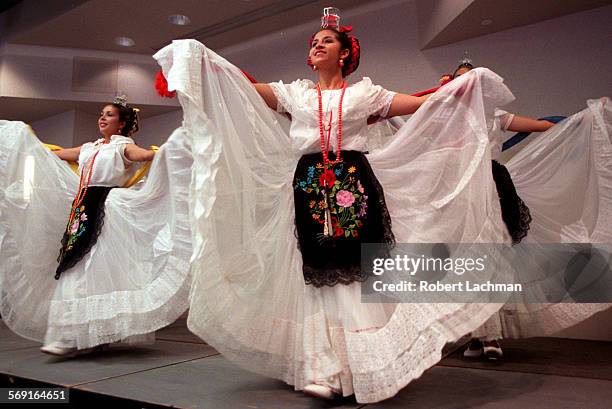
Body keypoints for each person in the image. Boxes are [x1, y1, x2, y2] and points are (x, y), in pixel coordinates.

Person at [156, 8, 516, 403]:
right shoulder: (296, 94)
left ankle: (354, 366)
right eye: (314, 41)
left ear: (344, 54)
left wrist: (460, 88)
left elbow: (421, 105)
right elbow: (243, 89)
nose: (316, 44)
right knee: (314, 272)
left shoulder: (365, 94)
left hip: (353, 183)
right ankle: (323, 366)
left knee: (353, 271)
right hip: (309, 184)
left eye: (326, 40)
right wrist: (202, 61)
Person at [0, 96, 194, 358]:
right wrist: (23, 142)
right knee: (73, 268)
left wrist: (176, 147)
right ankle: (77, 333)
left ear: (123, 123)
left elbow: (147, 155)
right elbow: (51, 155)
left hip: (107, 210)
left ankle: (76, 335)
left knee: (92, 270)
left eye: (110, 115)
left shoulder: (123, 147)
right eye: (101, 114)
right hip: (82, 211)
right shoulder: (88, 148)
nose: (102, 118)